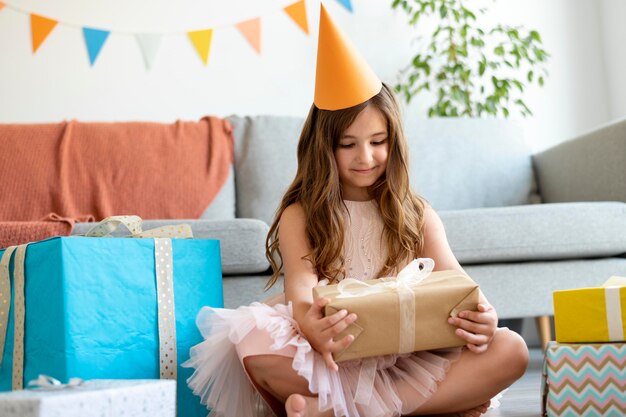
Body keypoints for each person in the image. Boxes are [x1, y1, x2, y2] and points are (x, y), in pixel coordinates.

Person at [184, 4, 529, 417]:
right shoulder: (303, 213)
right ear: (324, 148)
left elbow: (459, 284)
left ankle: (336, 411)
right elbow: (300, 287)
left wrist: (484, 317)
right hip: (335, 355)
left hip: (407, 358)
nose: (365, 156)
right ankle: (436, 406)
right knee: (252, 341)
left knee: (512, 349)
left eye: (377, 141)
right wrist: (311, 327)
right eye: (347, 144)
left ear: (394, 142)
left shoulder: (416, 214)